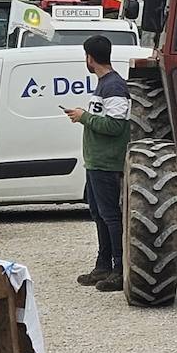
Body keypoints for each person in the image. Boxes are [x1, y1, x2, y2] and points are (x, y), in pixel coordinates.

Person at [64, 34, 131, 292]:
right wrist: (86, 116)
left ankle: (118, 268)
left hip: (107, 163)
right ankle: (103, 264)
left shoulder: (114, 86)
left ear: (90, 58)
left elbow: (115, 126)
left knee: (111, 217)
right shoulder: (104, 84)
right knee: (99, 214)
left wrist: (84, 117)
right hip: (95, 163)